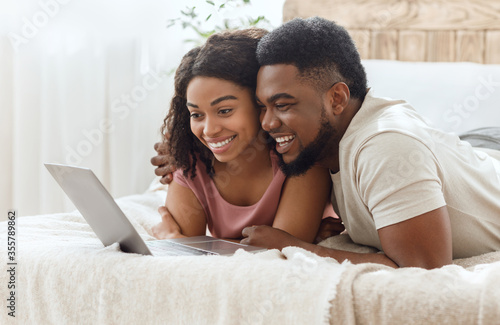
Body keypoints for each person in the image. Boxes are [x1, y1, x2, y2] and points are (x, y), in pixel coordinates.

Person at [237, 17, 500, 269]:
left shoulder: (386, 146)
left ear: (337, 99)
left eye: (282, 105)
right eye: (263, 107)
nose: (267, 123)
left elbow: (424, 270)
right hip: (471, 148)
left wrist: (294, 247)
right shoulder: (324, 145)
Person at [151, 28, 335, 243]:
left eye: (224, 111)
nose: (209, 130)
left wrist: (178, 239)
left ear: (261, 102)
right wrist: (180, 241)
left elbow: (280, 253)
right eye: (196, 114)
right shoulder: (192, 163)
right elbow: (185, 253)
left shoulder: (300, 157)